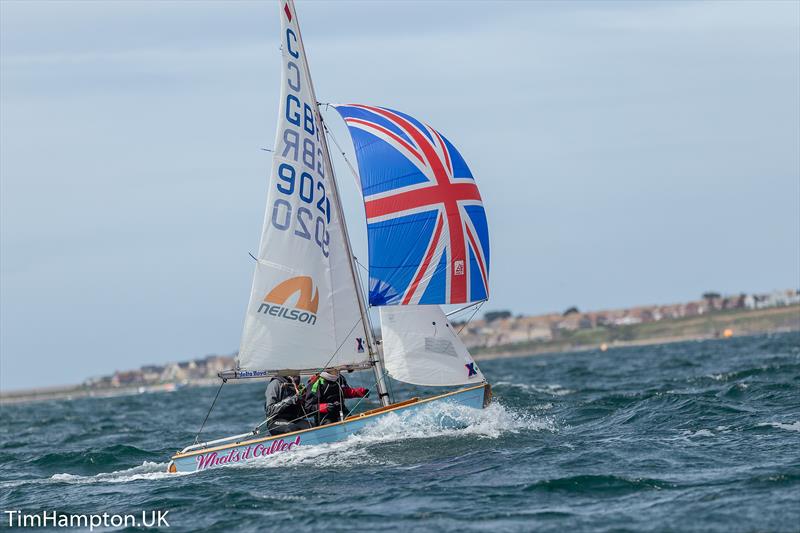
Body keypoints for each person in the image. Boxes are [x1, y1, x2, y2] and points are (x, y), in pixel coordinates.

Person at [303, 369, 368, 426]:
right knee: (329, 424)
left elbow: (344, 392)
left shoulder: (340, 378)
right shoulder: (316, 383)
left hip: (341, 411)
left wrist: (361, 392)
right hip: (325, 416)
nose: (338, 370)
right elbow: (308, 407)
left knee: (352, 422)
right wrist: (326, 407)